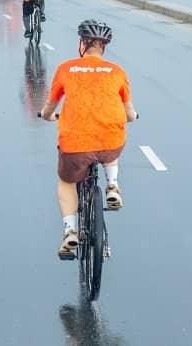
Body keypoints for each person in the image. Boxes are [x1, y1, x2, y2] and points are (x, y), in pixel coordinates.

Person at [39, 20, 138, 258]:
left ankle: (70, 231)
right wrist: (132, 116)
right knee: (111, 143)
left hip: (75, 143)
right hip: (110, 140)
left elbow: (50, 105)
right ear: (103, 47)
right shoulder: (117, 71)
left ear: (82, 44)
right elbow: (129, 112)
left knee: (66, 181)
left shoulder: (66, 68)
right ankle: (112, 185)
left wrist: (46, 115)